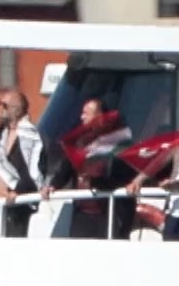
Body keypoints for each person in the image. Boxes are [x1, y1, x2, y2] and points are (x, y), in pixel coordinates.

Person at [44, 98, 136, 239]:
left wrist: (96, 176)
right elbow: (65, 169)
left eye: (86, 113)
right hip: (82, 213)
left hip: (108, 211)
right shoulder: (79, 141)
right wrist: (53, 185)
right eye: (82, 113)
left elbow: (122, 176)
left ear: (100, 116)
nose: (82, 117)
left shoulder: (115, 142)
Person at [0, 90, 44, 237]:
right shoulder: (0, 132)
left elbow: (34, 171)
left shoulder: (29, 137)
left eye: (4, 105)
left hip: (16, 206)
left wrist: (18, 192)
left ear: (16, 110)